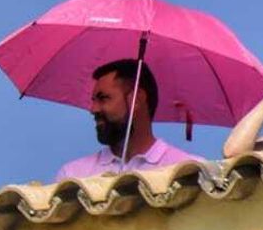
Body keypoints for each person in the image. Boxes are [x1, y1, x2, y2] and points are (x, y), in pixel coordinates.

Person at [54, 59, 203, 182]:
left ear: (137, 99)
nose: (93, 109)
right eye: (93, 100)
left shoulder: (189, 173)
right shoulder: (73, 178)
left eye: (103, 98)